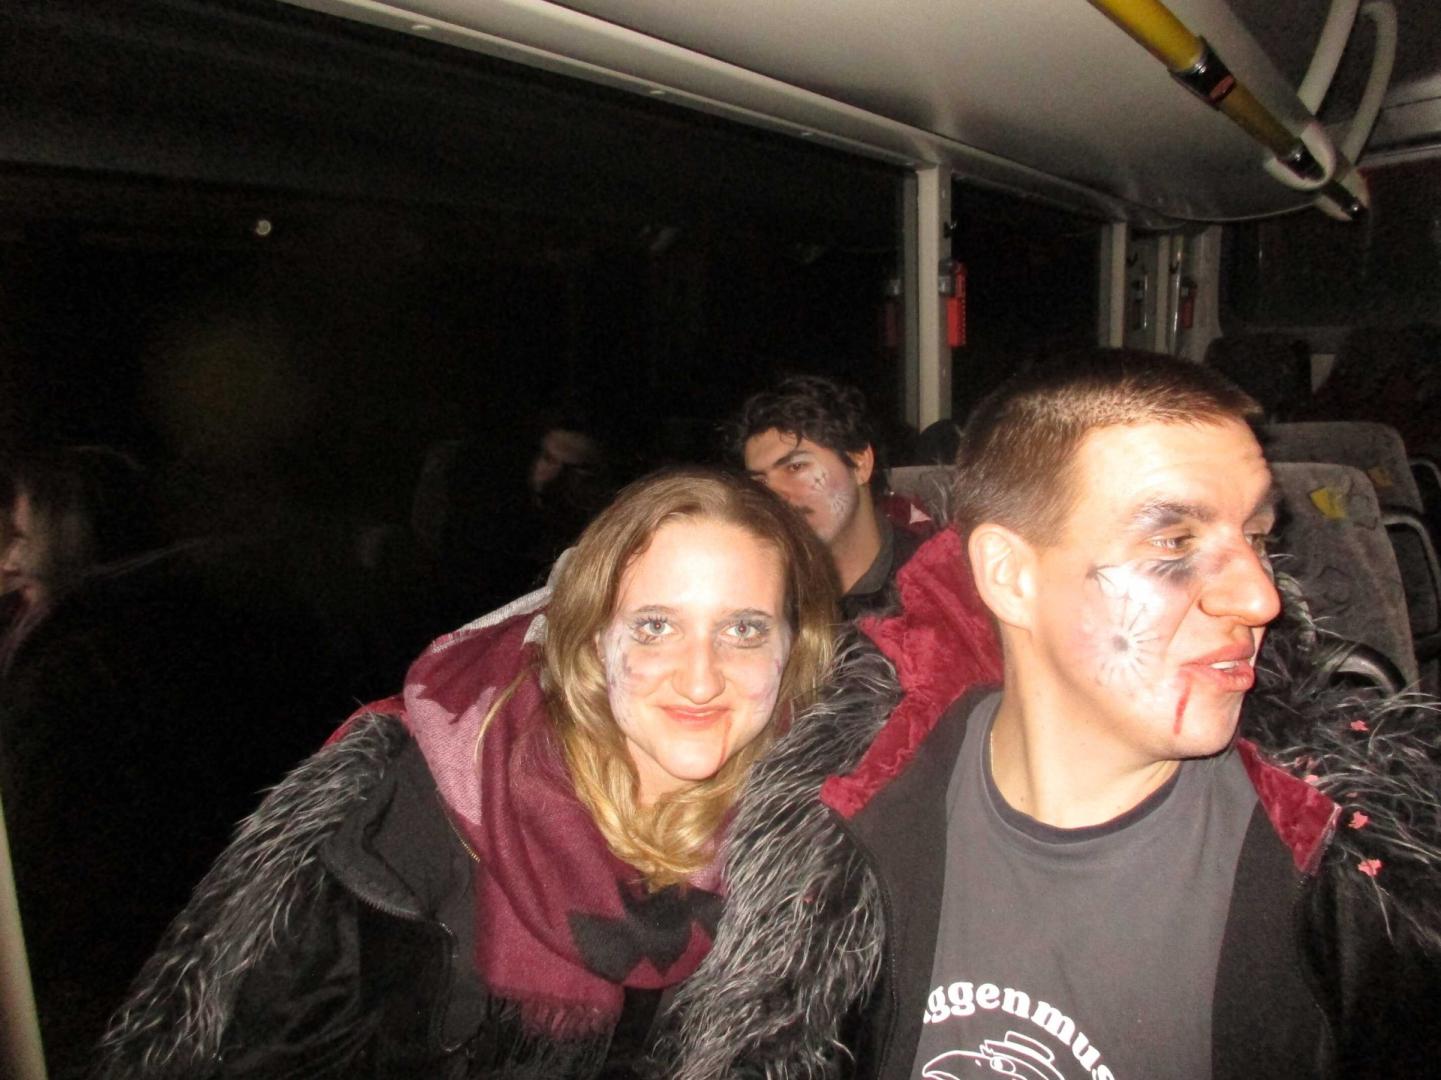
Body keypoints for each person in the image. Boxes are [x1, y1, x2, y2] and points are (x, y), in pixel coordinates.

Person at [661, 351, 1441, 1078]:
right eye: (1173, 542)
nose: (1259, 597)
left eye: (1256, 538)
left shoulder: (1352, 884)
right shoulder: (849, 831)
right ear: (1010, 577)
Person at [94, 467, 837, 1079]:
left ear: (791, 648)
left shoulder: (808, 845)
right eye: (655, 626)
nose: (701, 678)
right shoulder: (411, 810)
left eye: (744, 629)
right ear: (590, 641)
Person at [733, 374, 932, 619]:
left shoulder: (933, 585)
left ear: (860, 464)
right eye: (760, 482)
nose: (774, 497)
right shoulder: (758, 591)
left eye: (795, 467)